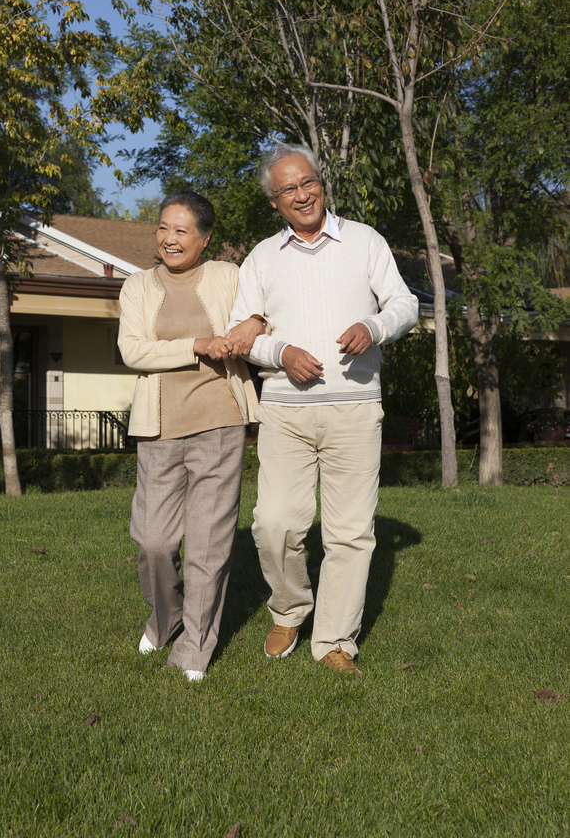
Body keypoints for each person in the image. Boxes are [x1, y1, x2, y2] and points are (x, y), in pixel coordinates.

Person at [226, 143, 419, 674]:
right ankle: (288, 610)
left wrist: (374, 326)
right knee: (274, 524)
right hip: (285, 411)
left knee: (350, 531)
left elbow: (405, 304)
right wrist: (282, 353)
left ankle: (335, 641)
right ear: (274, 202)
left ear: (321, 184)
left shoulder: (364, 241)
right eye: (288, 188)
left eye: (308, 182)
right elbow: (241, 334)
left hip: (355, 409)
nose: (302, 194)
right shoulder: (262, 257)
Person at [117, 190, 263, 682]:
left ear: (204, 238)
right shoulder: (137, 286)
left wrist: (250, 325)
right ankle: (165, 619)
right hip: (159, 427)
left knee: (207, 546)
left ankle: (194, 651)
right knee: (153, 541)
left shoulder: (227, 275)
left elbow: (262, 312)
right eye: (163, 228)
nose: (169, 239)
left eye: (181, 230)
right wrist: (197, 344)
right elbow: (133, 351)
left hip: (220, 420)